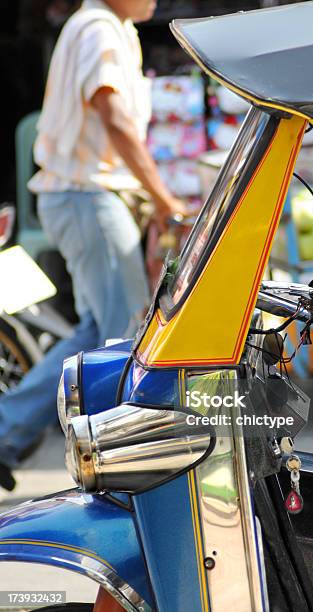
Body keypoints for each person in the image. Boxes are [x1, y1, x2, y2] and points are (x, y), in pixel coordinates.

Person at [0, 0, 186, 491]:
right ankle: (119, 462)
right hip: (87, 197)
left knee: (94, 333)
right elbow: (115, 117)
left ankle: (6, 432)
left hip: (88, 198)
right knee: (124, 336)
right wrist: (162, 195)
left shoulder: (114, 28)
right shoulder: (99, 27)